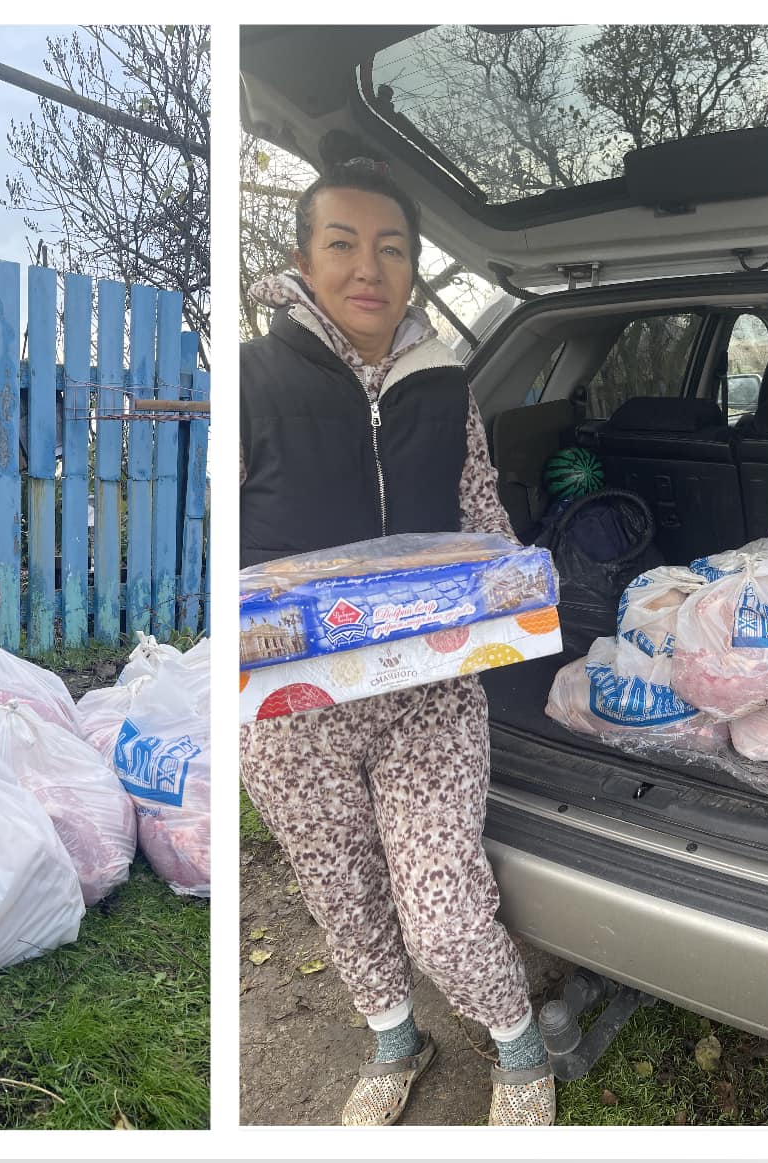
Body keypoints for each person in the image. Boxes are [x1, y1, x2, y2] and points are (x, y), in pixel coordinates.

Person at [239, 156, 555, 1127]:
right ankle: (393, 1039)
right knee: (342, 892)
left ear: (413, 271)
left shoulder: (445, 383)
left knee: (440, 900)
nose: (366, 266)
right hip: (297, 710)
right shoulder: (253, 377)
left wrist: (515, 583)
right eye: (342, 243)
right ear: (302, 258)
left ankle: (520, 1047)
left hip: (430, 692)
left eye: (390, 249)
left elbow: (478, 516)